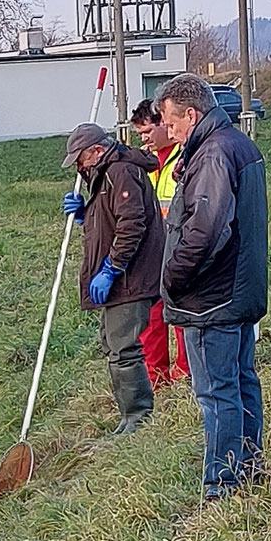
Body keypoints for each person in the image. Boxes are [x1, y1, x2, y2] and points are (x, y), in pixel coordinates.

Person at [154, 73, 269, 499]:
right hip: (239, 288)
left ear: (191, 113)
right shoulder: (238, 144)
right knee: (241, 381)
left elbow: (205, 232)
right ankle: (251, 466)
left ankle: (221, 483)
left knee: (216, 392)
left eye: (171, 122)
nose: (170, 132)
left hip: (210, 298)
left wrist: (171, 279)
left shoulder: (213, 155)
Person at [61, 120, 163, 434]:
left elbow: (132, 226)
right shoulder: (103, 174)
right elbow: (109, 220)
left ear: (97, 149)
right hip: (121, 278)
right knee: (112, 343)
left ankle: (138, 417)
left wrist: (110, 269)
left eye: (81, 158)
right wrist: (85, 214)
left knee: (124, 347)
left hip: (131, 277)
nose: (79, 166)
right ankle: (127, 417)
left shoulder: (120, 172)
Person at [116, 98, 189, 386]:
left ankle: (185, 372)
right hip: (150, 253)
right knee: (152, 317)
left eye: (148, 131)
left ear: (164, 124)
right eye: (140, 135)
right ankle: (156, 377)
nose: (144, 139)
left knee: (181, 316)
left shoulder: (184, 157)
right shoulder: (142, 164)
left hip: (179, 249)